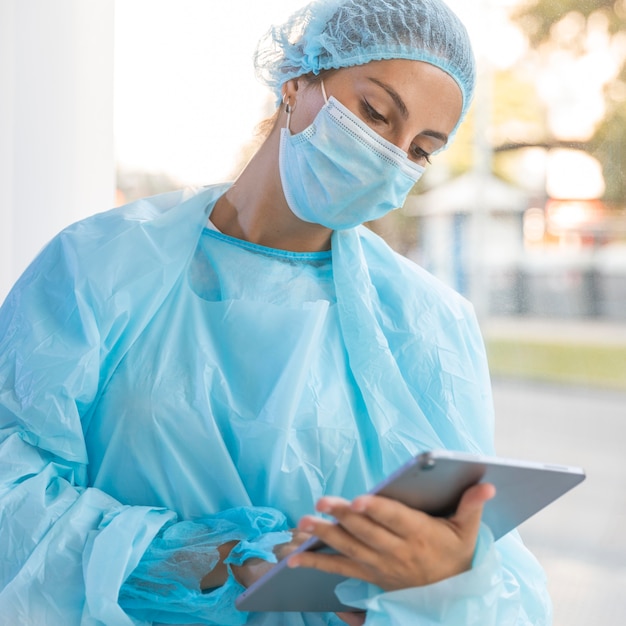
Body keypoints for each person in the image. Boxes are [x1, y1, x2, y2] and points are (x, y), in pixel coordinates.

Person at [0, 0, 552, 624]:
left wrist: (441, 584)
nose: (391, 156)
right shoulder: (98, 264)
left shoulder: (428, 325)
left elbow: (501, 583)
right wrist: (213, 560)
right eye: (374, 113)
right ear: (297, 81)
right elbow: (10, 493)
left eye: (422, 149)